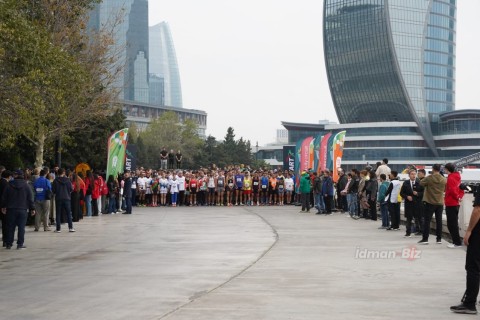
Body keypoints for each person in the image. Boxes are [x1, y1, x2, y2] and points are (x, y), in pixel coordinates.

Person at [1, 170, 35, 249]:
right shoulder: (26, 186)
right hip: (22, 209)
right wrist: (32, 208)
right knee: (21, 227)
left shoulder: (9, 185)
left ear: (15, 176)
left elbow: (4, 197)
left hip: (10, 209)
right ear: (22, 176)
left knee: (10, 227)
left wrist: (3, 207)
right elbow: (30, 198)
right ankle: (20, 244)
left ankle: (9, 243)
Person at [418, 164, 447, 245]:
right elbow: (445, 187)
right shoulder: (444, 179)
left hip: (430, 202)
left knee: (427, 221)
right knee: (439, 221)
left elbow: (421, 183)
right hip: (440, 202)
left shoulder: (429, 178)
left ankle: (425, 239)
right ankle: (439, 239)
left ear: (433, 169)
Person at [444, 163, 464, 248]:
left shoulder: (450, 177)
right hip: (455, 203)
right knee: (454, 223)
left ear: (448, 169)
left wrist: (457, 197)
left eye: (445, 169)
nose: (444, 170)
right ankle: (456, 242)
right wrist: (460, 196)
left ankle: (457, 242)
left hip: (451, 202)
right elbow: (460, 188)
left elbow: (452, 190)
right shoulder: (457, 176)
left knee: (451, 224)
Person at [400, 169, 422, 237]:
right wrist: (407, 197)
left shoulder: (419, 182)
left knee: (418, 218)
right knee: (409, 218)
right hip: (409, 204)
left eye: (415, 174)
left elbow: (423, 193)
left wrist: (417, 193)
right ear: (409, 175)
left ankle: (420, 231)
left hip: (417, 204)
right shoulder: (406, 183)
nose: (413, 175)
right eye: (412, 174)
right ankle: (408, 232)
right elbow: (401, 193)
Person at [52, 168, 75, 233]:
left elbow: (53, 190)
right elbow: (71, 189)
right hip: (67, 198)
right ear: (64, 173)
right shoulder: (68, 180)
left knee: (58, 213)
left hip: (58, 198)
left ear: (57, 173)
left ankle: (58, 229)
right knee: (68, 213)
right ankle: (71, 227)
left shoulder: (55, 180)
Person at [1, 169, 12, 247]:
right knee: (6, 224)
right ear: (9, 176)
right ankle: (5, 240)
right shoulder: (6, 184)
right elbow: (5, 197)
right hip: (3, 206)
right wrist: (4, 206)